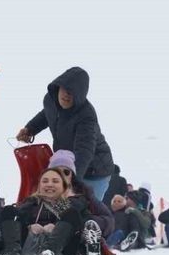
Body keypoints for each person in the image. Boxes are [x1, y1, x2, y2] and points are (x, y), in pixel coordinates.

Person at [16, 67, 115, 202]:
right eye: (64, 89)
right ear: (57, 87)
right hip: (69, 165)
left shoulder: (86, 116)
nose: (66, 94)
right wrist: (30, 129)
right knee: (60, 208)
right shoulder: (50, 100)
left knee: (86, 210)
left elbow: (84, 151)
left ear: (80, 95)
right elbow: (46, 114)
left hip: (95, 171)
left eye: (72, 92)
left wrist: (72, 181)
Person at [7, 168, 87, 255]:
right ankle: (11, 254)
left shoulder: (73, 204)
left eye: (55, 181)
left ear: (64, 186)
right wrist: (29, 227)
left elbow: (90, 223)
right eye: (45, 181)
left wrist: (58, 228)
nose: (49, 184)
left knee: (72, 214)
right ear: (39, 186)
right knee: (8, 210)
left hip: (61, 252)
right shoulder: (29, 203)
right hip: (29, 246)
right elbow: (15, 221)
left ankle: (48, 252)